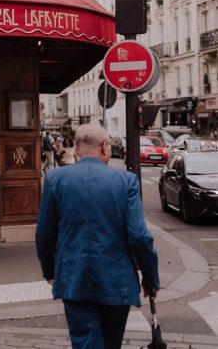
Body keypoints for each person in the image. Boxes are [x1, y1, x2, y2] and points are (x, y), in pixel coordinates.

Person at [35, 123, 160, 349]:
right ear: (104, 147)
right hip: (116, 279)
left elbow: (44, 233)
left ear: (76, 149)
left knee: (85, 342)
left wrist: (50, 270)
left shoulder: (55, 179)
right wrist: (150, 276)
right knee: (112, 341)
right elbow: (139, 236)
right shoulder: (126, 181)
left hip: (74, 276)